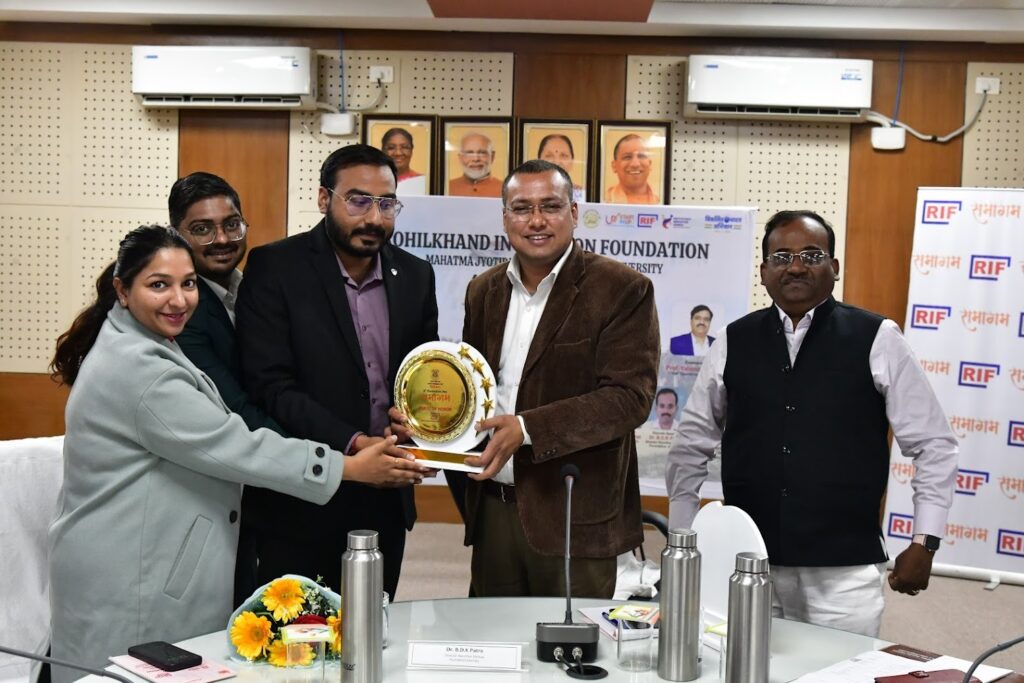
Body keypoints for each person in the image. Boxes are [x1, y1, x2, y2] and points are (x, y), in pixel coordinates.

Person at [47, 225, 427, 683]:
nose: (178, 299)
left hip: (134, 556)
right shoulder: (141, 371)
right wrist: (348, 467)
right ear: (122, 291)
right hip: (130, 576)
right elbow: (237, 446)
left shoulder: (143, 343)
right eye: (159, 285)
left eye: (188, 284)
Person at [665, 210, 958, 637]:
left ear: (834, 267)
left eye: (812, 255)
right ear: (763, 272)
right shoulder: (732, 341)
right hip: (747, 562)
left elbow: (933, 444)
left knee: (842, 668)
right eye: (782, 257)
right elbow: (691, 444)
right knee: (745, 664)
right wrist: (681, 537)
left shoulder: (878, 338)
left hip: (844, 571)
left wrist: (925, 540)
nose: (796, 266)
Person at [445, 159, 659, 598]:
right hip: (494, 508)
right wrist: (432, 426)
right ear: (505, 217)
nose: (537, 220)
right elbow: (474, 388)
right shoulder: (483, 290)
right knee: (492, 634)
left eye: (551, 206)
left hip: (575, 515)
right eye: (522, 208)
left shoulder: (622, 288)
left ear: (574, 213)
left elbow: (628, 398)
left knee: (570, 638)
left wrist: (526, 429)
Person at [236, 144, 440, 599]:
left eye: (387, 204)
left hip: (386, 498)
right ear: (324, 199)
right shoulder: (276, 268)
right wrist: (355, 443)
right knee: (297, 635)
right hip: (302, 499)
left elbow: (422, 376)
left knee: (372, 626)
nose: (374, 218)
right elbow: (271, 386)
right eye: (359, 201)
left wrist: (419, 424)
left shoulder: (416, 275)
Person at [168, 171, 279, 606]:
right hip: (202, 497)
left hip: (244, 488)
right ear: (177, 234)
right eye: (202, 229)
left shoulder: (244, 287)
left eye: (231, 224)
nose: (221, 239)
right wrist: (331, 455)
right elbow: (234, 410)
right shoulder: (184, 309)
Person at [604, 134, 659, 205]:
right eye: (627, 157)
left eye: (641, 156)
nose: (635, 164)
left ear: (650, 164)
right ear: (614, 166)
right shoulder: (604, 200)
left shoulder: (660, 201)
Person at [448, 132, 503, 197]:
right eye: (469, 153)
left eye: (482, 153)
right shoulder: (448, 187)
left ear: (492, 156)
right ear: (460, 158)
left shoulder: (505, 189)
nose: (476, 159)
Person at [537, 133, 584, 202]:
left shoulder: (581, 195)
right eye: (549, 156)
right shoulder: (528, 192)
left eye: (564, 156)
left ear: (572, 161)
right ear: (538, 160)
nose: (557, 162)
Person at [381, 127, 427, 195]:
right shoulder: (373, 181)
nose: (398, 153)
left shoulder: (423, 182)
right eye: (391, 148)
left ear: (411, 150)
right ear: (382, 151)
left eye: (404, 147)